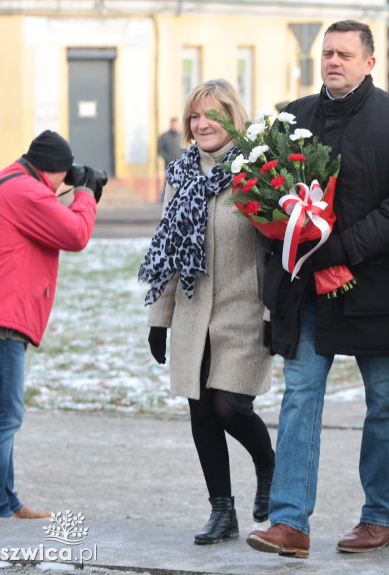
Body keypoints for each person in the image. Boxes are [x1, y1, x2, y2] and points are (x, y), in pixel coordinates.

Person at [246, 20, 389, 559]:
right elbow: (264, 191)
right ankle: (289, 522)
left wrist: (343, 246)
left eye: (345, 54)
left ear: (370, 62)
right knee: (301, 397)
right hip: (306, 291)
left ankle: (378, 517)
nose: (333, 61)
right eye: (327, 53)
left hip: (378, 289)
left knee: (384, 404)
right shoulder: (294, 116)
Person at [138, 79, 275, 546]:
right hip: (194, 312)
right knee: (201, 411)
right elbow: (168, 250)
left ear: (232, 117)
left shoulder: (257, 170)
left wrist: (275, 317)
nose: (201, 124)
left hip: (245, 311)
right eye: (195, 116)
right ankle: (222, 511)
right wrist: (160, 320)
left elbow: (278, 251)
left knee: (229, 406)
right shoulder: (180, 175)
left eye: (211, 115)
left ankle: (267, 463)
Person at [0, 130, 104, 518]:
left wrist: (73, 188)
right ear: (52, 171)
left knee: (1, 414)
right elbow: (76, 234)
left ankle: (8, 501)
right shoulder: (27, 193)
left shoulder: (9, 178)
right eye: (64, 175)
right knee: (4, 418)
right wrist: (84, 193)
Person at [157, 117, 183, 201]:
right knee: (168, 183)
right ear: (171, 124)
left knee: (180, 182)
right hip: (169, 164)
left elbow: (185, 148)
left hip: (180, 164)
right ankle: (164, 199)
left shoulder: (181, 136)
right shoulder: (164, 136)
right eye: (173, 124)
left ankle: (178, 199)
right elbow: (160, 149)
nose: (174, 125)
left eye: (176, 124)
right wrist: (167, 158)